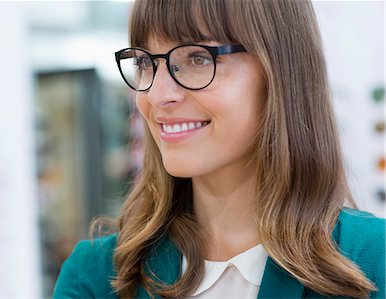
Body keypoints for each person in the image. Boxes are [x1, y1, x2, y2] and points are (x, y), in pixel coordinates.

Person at [53, 0, 385, 298]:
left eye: (197, 58)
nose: (156, 95)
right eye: (145, 62)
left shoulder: (372, 262)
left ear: (281, 70)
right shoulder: (97, 277)